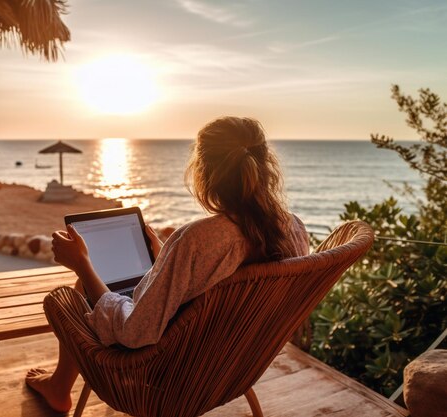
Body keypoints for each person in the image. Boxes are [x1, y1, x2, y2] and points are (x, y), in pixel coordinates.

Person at [25, 116, 310, 412]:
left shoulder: (197, 239)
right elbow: (220, 286)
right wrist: (168, 262)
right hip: (235, 367)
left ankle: (59, 387)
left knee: (71, 295)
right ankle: (59, 385)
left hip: (171, 375)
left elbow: (134, 333)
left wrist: (82, 263)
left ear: (204, 171)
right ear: (266, 167)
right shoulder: (293, 230)